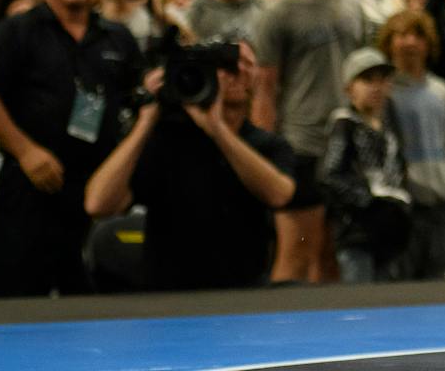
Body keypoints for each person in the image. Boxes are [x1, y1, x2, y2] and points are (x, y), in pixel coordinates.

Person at [0, 0, 144, 297]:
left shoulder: (118, 38)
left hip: (95, 199)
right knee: (18, 315)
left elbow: (137, 104)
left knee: (93, 318)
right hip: (31, 193)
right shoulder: (18, 30)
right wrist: (26, 151)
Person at [83, 37, 297, 289]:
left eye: (246, 64)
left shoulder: (267, 145)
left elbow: (279, 194)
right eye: (225, 65)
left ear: (255, 77)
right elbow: (97, 203)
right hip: (171, 297)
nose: (236, 73)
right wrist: (146, 120)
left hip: (243, 294)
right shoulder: (166, 141)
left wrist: (217, 128)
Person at [253, 0, 368, 282]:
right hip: (300, 145)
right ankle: (278, 332)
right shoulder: (279, 11)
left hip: (346, 148)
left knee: (332, 255)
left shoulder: (353, 6)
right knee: (295, 252)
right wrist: (266, 154)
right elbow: (265, 87)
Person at [380, 10, 445, 280]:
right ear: (389, 43)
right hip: (403, 205)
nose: (410, 42)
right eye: (401, 35)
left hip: (440, 199)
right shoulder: (383, 92)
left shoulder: (441, 90)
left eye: (417, 35)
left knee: (437, 275)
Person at [320, 48, 412, 283]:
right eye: (367, 80)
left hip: (391, 232)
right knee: (362, 300)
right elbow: (330, 176)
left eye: (382, 80)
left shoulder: (391, 125)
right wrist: (368, 201)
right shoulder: (344, 125)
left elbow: (399, 167)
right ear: (349, 88)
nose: (377, 87)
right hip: (358, 233)